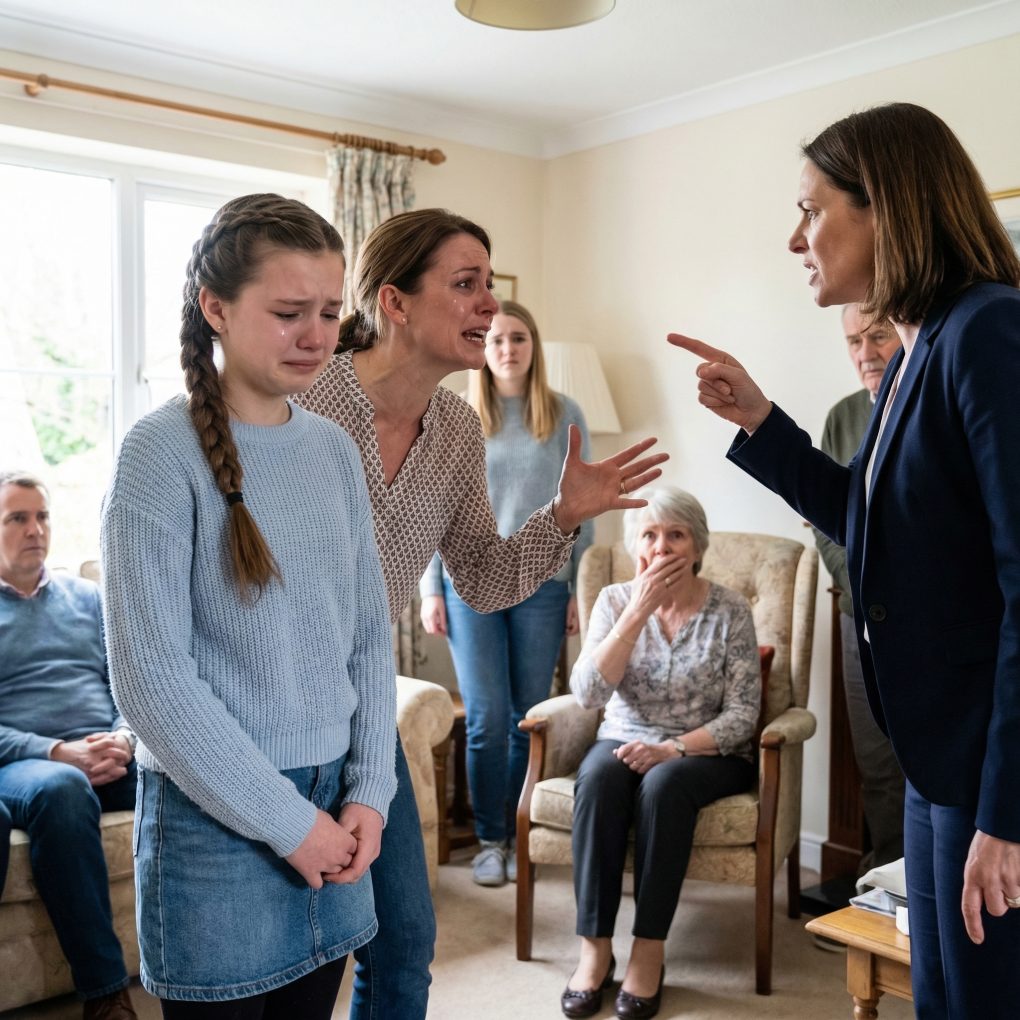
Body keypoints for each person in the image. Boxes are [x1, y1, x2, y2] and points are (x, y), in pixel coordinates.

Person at [671, 102, 1020, 1017]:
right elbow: (871, 518)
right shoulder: (915, 352)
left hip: (990, 772)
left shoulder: (986, 333)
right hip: (936, 762)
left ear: (886, 209)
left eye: (812, 210)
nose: (797, 238)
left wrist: (1008, 815)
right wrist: (760, 422)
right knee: (941, 995)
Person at [298, 208, 666, 1020]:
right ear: (393, 303)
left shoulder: (458, 430)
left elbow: (489, 579)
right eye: (465, 286)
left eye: (490, 288)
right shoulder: (308, 391)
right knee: (297, 962)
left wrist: (563, 518)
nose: (490, 308)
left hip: (361, 723)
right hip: (270, 716)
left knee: (403, 946)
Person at [100, 194, 397, 1018]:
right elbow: (152, 684)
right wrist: (289, 825)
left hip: (337, 801)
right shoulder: (159, 454)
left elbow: (371, 640)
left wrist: (370, 790)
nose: (316, 335)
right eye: (289, 312)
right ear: (216, 308)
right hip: (215, 818)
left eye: (331, 313)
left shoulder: (334, 450)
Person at [560, 487, 759, 1020]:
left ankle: (649, 950)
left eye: (676, 534)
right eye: (649, 535)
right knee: (599, 779)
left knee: (664, 785)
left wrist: (673, 748)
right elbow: (587, 695)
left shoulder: (731, 611)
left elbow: (743, 715)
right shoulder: (614, 601)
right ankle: (594, 949)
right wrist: (637, 613)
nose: (661, 546)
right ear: (634, 547)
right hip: (622, 735)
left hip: (707, 751)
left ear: (697, 546)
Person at [419, 299, 595, 887]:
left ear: (533, 347)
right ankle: (490, 840)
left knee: (528, 717)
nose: (507, 349)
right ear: (483, 352)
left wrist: (574, 585)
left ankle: (520, 834)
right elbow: (428, 506)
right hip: (468, 583)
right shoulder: (457, 416)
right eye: (496, 340)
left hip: (543, 584)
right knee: (487, 719)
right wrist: (430, 589)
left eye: (518, 338)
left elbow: (583, 503)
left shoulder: (564, 413)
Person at [0, 471, 138, 1020]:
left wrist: (126, 736)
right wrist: (59, 752)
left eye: (43, 516)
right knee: (62, 789)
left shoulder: (89, 598)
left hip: (106, 754)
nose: (35, 529)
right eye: (17, 518)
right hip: (27, 766)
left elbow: (131, 683)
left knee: (188, 771)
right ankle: (105, 994)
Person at [812, 303, 905, 872]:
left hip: (923, 620)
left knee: (926, 760)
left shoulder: (930, 399)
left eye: (877, 337)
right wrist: (862, 587)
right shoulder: (842, 417)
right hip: (857, 615)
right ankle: (889, 888)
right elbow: (826, 523)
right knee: (874, 761)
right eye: (853, 342)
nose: (866, 354)